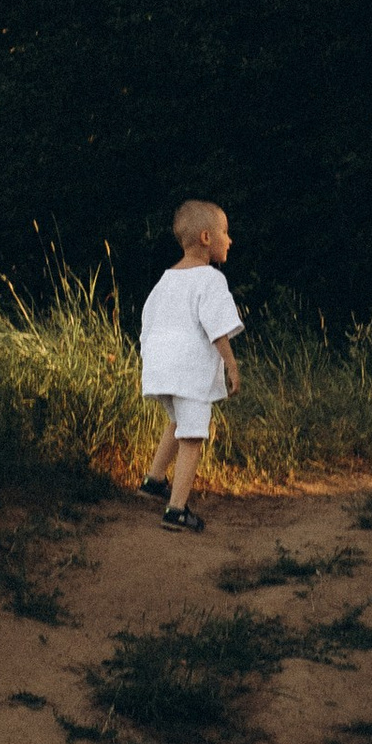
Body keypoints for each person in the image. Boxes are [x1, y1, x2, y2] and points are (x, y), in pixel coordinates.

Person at [138, 198, 242, 531]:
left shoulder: (165, 280)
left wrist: (152, 363)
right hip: (188, 372)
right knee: (193, 437)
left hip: (160, 369)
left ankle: (154, 480)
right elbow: (217, 328)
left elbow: (148, 323)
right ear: (206, 238)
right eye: (225, 232)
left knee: (177, 422)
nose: (230, 240)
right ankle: (176, 510)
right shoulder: (210, 279)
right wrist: (231, 365)